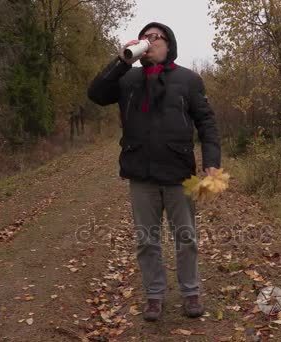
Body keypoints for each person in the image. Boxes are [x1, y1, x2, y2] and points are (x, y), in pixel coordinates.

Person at [87, 22, 221, 322]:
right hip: (141, 173)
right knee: (147, 240)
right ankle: (154, 296)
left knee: (186, 238)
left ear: (168, 44)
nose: (148, 42)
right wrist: (121, 61)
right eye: (144, 37)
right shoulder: (127, 79)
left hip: (178, 173)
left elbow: (207, 124)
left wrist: (212, 161)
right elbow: (96, 94)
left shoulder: (189, 80)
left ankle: (190, 293)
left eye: (155, 38)